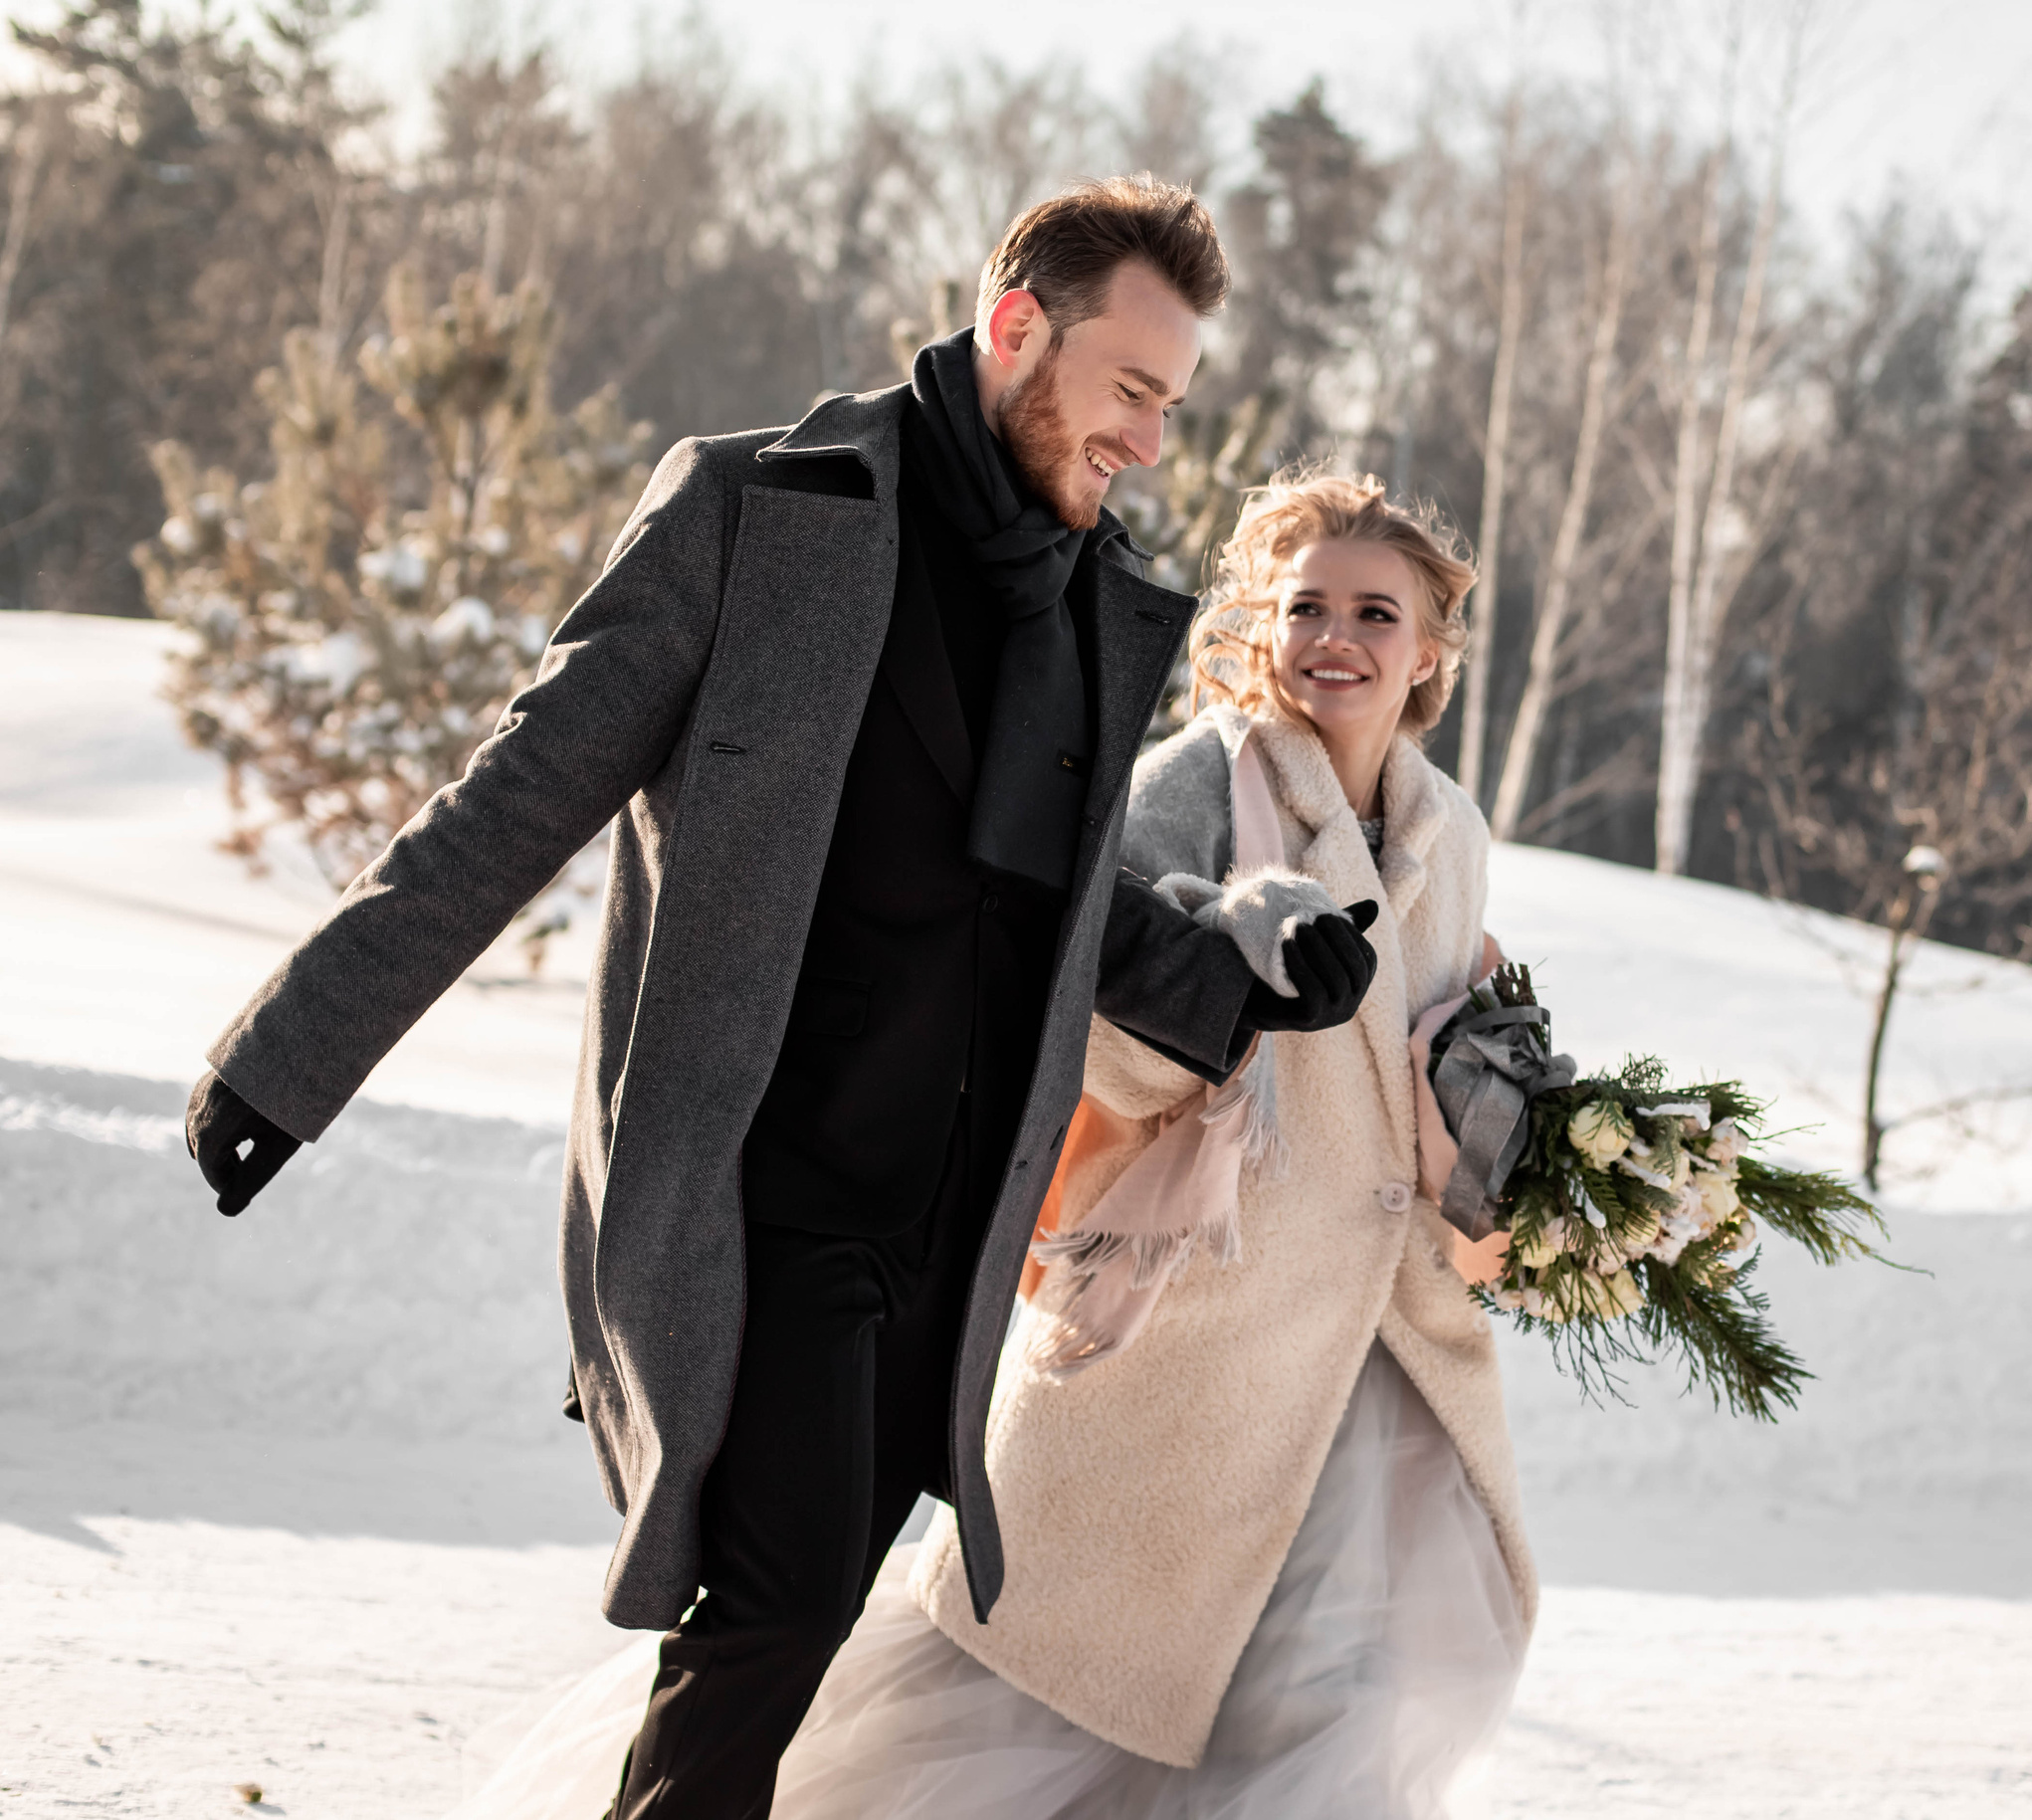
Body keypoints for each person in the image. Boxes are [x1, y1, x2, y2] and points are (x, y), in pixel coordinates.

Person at [179, 179, 1380, 1820]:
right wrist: (286, 1056)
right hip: (764, 1206)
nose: (1152, 442)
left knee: (762, 1649)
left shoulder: (1085, 602)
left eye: (1171, 404)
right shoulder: (757, 515)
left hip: (950, 1232)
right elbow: (519, 793)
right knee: (777, 1609)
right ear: (1015, 329)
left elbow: (1058, 903)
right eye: (1132, 390)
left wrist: (1242, 981)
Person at [455, 469, 1533, 1819]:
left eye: (1377, 613)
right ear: (1262, 624)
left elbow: (1441, 1042)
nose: (1337, 637)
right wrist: (1228, 965)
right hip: (1194, 1345)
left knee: (1373, 1683)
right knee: (1049, 1707)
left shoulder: (1450, 829)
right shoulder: (1190, 787)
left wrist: (1535, 1135)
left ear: (1429, 649)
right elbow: (1074, 1017)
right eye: (1307, 605)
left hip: (1381, 1342)